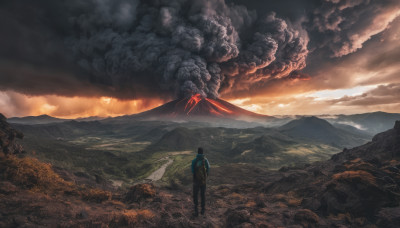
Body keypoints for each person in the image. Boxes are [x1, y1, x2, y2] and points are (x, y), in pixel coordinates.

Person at [191, 147, 210, 216]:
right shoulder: (205, 160)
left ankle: (196, 210)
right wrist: (205, 176)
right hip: (203, 181)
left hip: (196, 181)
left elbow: (192, 170)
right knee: (202, 195)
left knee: (195, 195)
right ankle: (203, 210)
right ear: (202, 152)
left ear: (197, 152)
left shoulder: (194, 160)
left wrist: (196, 175)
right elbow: (208, 168)